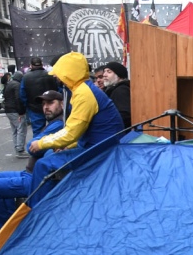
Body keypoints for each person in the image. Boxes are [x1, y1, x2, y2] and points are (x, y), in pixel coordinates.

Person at [28, 52, 124, 206]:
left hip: (99, 151)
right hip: (100, 146)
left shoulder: (83, 94)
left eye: (59, 74)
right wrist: (66, 145)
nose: (56, 77)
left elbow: (71, 132)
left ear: (68, 73)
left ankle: (36, 212)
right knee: (50, 159)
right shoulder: (84, 89)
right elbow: (82, 130)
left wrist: (41, 143)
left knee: (43, 165)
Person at [0, 90, 65, 232]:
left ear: (62, 104)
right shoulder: (53, 122)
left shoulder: (58, 124)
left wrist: (38, 142)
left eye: (50, 103)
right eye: (43, 104)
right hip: (31, 172)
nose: (46, 107)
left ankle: (3, 233)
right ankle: (12, 226)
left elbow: (32, 148)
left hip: (38, 179)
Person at [20, 57, 59, 135]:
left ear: (31, 65)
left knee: (38, 132)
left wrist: (26, 106)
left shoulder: (26, 77)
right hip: (52, 105)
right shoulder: (50, 74)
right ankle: (54, 146)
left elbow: (22, 95)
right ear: (42, 64)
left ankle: (39, 146)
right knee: (55, 129)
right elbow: (58, 89)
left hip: (34, 108)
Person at [4, 71, 28, 158]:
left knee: (15, 130)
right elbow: (18, 98)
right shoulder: (17, 85)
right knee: (21, 128)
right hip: (15, 110)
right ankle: (20, 149)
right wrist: (21, 112)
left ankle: (17, 148)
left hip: (8, 109)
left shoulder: (9, 84)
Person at [100, 62, 131, 129]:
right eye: (104, 71)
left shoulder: (121, 91)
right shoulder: (114, 90)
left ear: (119, 75)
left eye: (109, 72)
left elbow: (124, 115)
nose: (104, 75)